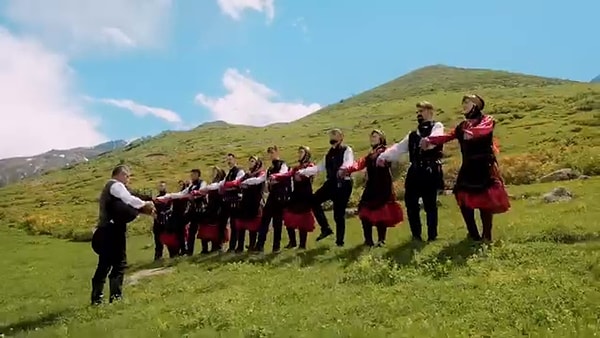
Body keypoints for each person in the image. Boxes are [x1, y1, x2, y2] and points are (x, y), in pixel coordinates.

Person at [421, 94, 510, 242]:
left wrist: (472, 133)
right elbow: (447, 137)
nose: (463, 105)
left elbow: (484, 129)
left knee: (485, 201)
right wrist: (430, 140)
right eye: (463, 102)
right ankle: (473, 234)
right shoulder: (462, 126)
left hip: (484, 165)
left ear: (476, 104)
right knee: (462, 197)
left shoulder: (487, 120)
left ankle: (487, 235)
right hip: (468, 166)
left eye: (467, 102)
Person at [377, 101, 445, 241]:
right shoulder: (413, 134)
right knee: (410, 203)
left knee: (430, 204)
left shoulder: (437, 126)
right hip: (414, 171)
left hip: (430, 170)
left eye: (422, 111)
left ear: (430, 112)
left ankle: (432, 236)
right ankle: (416, 236)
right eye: (418, 112)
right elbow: (398, 148)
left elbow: (436, 138)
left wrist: (428, 141)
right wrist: (383, 156)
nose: (419, 114)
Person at [91, 165, 155, 305]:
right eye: (127, 176)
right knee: (119, 263)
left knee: (105, 263)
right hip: (113, 230)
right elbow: (128, 199)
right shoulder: (116, 186)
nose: (128, 179)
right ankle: (115, 298)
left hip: (105, 229)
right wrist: (145, 204)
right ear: (120, 174)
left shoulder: (109, 188)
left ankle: (97, 299)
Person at [341, 130, 404, 246]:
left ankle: (381, 240)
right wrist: (348, 169)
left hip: (383, 184)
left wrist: (384, 161)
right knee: (364, 211)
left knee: (381, 213)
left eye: (375, 136)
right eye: (371, 137)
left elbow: (392, 159)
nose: (372, 138)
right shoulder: (370, 154)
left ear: (381, 138)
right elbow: (359, 164)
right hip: (371, 185)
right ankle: (368, 240)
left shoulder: (386, 151)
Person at [298, 128, 354, 247]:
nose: (332, 137)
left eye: (335, 134)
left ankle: (340, 242)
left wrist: (343, 169)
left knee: (338, 214)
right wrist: (302, 172)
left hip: (343, 183)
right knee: (313, 200)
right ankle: (325, 228)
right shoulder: (328, 154)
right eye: (331, 135)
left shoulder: (346, 149)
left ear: (341, 137)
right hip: (331, 183)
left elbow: (349, 162)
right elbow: (318, 168)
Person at [270, 146, 316, 249]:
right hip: (296, 194)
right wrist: (276, 176)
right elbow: (288, 174)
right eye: (298, 152)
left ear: (307, 154)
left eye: (301, 152)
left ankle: (302, 245)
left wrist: (302, 175)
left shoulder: (310, 165)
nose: (299, 154)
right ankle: (292, 242)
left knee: (303, 220)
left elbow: (309, 175)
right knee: (288, 217)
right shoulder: (296, 168)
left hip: (305, 195)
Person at [200, 153, 245, 252]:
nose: (229, 162)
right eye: (227, 160)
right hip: (227, 202)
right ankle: (220, 246)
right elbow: (220, 184)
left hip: (235, 200)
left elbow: (238, 182)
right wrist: (206, 188)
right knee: (222, 224)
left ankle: (234, 247)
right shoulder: (228, 173)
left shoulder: (240, 171)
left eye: (230, 159)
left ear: (234, 160)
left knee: (234, 225)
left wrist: (229, 185)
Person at [157, 170, 207, 255]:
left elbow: (202, 191)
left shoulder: (202, 183)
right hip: (192, 210)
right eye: (191, 174)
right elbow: (182, 193)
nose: (192, 176)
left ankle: (204, 249)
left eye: (194, 174)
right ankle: (187, 250)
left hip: (200, 209)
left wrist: (194, 193)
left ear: (198, 175)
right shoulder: (191, 185)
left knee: (202, 229)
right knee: (185, 228)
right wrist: (169, 196)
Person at [222, 156, 266, 252]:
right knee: (241, 224)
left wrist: (245, 182)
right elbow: (237, 182)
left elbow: (257, 181)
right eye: (249, 161)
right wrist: (229, 184)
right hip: (245, 202)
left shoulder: (261, 173)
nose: (250, 163)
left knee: (253, 226)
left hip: (255, 202)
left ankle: (252, 245)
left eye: (252, 161)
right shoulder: (247, 174)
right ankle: (240, 246)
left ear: (257, 163)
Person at [254, 146, 290, 253]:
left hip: (280, 196)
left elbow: (283, 174)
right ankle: (259, 245)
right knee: (265, 220)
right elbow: (263, 180)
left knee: (277, 222)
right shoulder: (269, 169)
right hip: (272, 195)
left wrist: (274, 178)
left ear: (277, 152)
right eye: (269, 153)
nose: (271, 155)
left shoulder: (283, 164)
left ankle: (276, 246)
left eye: (272, 152)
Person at [196, 166, 227, 253]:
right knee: (206, 225)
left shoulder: (220, 183)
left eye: (215, 172)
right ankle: (205, 248)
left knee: (216, 227)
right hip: (210, 206)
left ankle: (217, 246)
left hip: (219, 206)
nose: (213, 174)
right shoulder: (211, 183)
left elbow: (214, 188)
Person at [152, 181, 169, 260]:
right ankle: (158, 256)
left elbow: (170, 208)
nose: (161, 187)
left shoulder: (168, 197)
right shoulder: (156, 199)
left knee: (168, 238)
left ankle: (172, 254)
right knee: (157, 240)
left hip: (166, 221)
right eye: (160, 186)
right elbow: (153, 209)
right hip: (157, 221)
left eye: (162, 186)